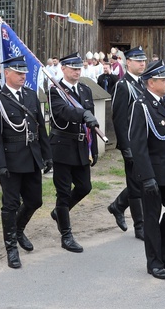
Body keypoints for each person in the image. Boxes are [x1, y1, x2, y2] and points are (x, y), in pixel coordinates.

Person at [0, 56, 53, 268]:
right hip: (11, 159)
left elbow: (40, 127)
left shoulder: (31, 96)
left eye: (24, 73)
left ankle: (18, 229)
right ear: (7, 73)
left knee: (35, 201)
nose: (23, 76)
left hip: (32, 157)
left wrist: (47, 154)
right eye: (18, 73)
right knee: (10, 204)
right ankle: (11, 247)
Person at [129, 59, 165, 280]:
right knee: (151, 217)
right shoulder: (140, 106)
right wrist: (147, 177)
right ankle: (154, 263)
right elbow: (137, 144)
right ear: (151, 82)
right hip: (151, 172)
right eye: (164, 79)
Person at [48, 51, 99, 253]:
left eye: (79, 68)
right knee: (62, 192)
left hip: (81, 147)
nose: (77, 72)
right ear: (63, 69)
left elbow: (92, 123)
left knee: (84, 187)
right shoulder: (55, 91)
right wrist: (83, 113)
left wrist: (93, 149)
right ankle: (66, 235)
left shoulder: (85, 90)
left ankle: (60, 213)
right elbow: (64, 112)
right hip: (62, 147)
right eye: (73, 68)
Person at [107, 46, 147, 240]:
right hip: (131, 142)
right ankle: (140, 226)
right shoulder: (122, 86)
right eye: (138, 60)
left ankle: (119, 205)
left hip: (144, 142)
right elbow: (119, 119)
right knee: (135, 182)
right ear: (128, 62)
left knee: (142, 180)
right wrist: (126, 147)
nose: (142, 63)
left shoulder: (143, 84)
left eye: (143, 60)